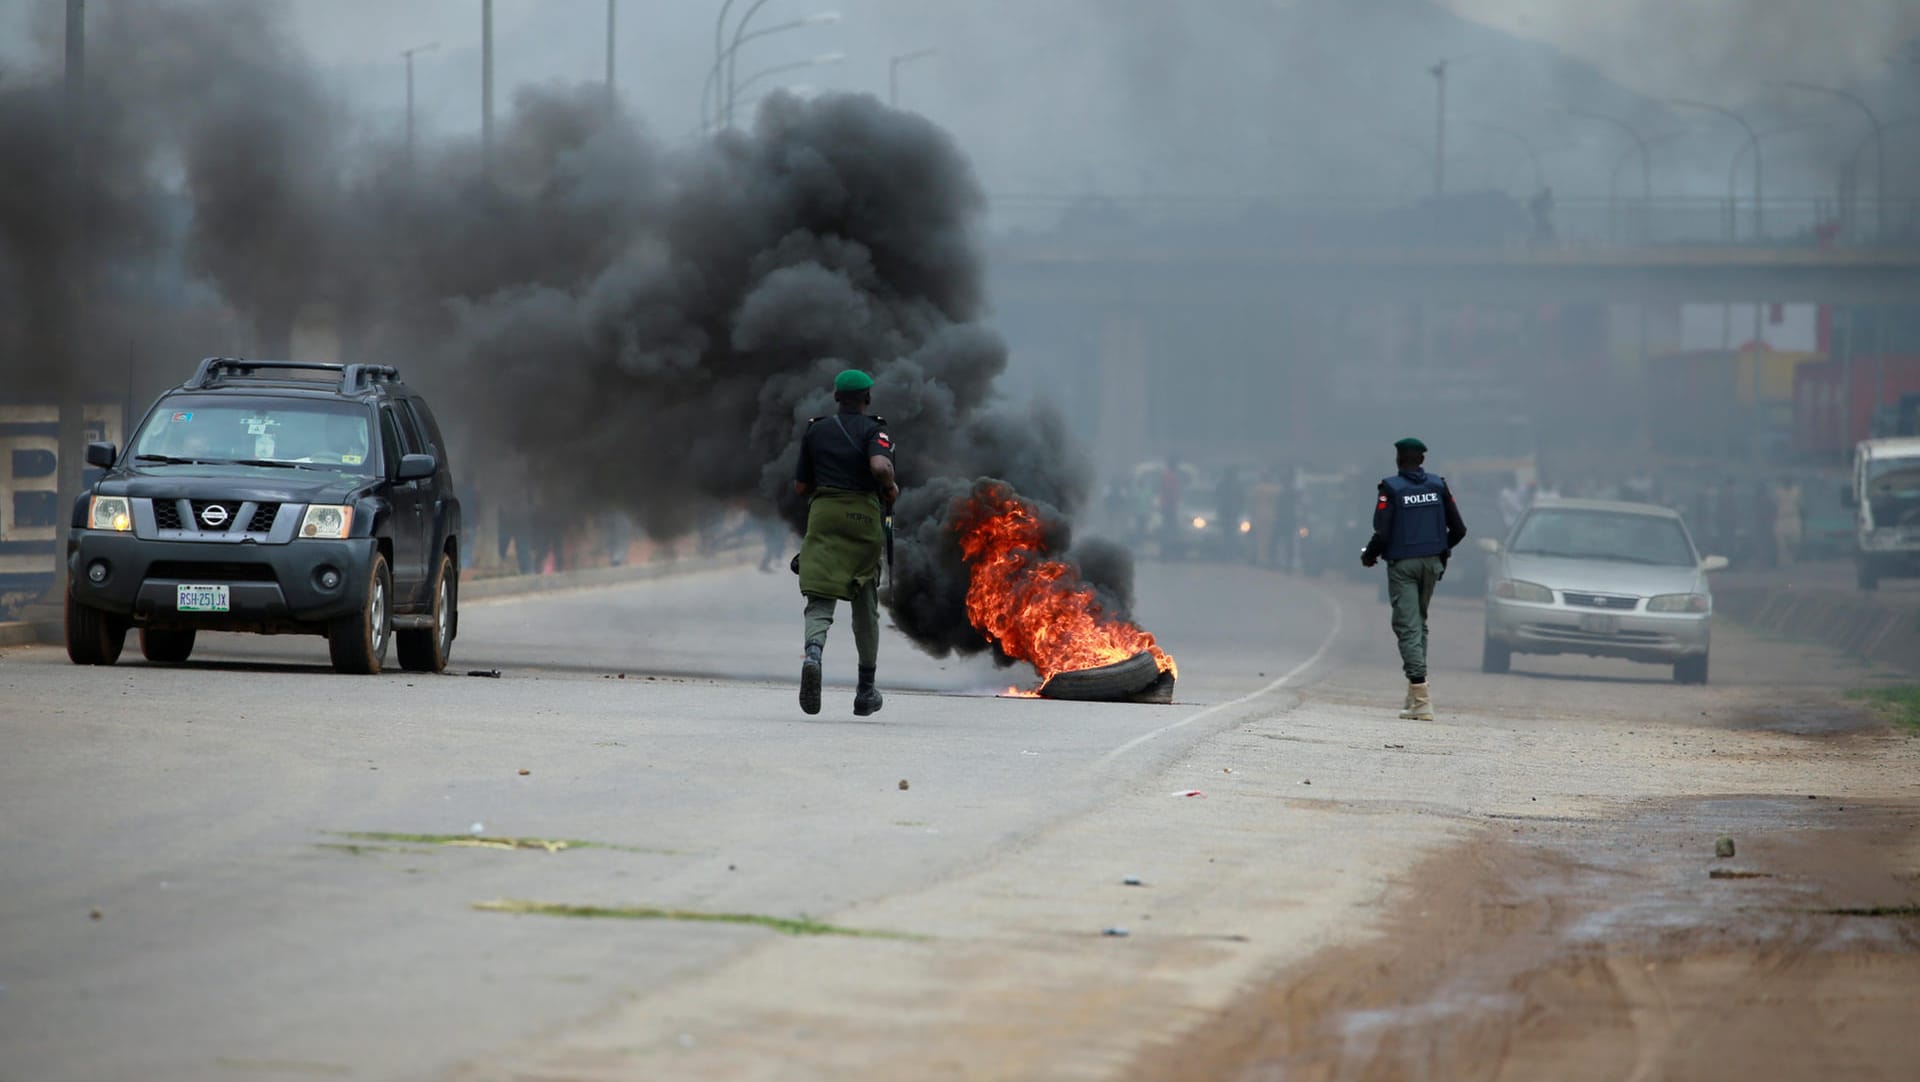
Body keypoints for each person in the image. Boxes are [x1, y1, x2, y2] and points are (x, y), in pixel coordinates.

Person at [793, 369, 898, 716]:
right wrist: (889, 488)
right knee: (864, 602)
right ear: (867, 398)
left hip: (824, 514)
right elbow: (880, 466)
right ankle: (865, 690)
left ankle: (813, 654)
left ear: (836, 397)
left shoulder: (816, 430)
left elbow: (801, 487)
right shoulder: (874, 430)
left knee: (820, 597)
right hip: (862, 519)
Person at [1360, 437, 1468, 721]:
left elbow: (1382, 533)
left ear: (1398, 460)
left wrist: (1369, 556)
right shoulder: (1438, 486)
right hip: (1432, 564)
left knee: (1407, 626)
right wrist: (1440, 550)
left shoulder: (1391, 489)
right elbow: (1459, 529)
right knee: (1419, 623)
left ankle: (1421, 699)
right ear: (1422, 460)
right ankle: (1413, 696)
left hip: (1403, 567)